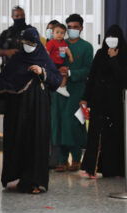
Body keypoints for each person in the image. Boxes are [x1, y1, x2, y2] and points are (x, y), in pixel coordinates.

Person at [0, 28, 62, 194]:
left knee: (37, 142)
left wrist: (42, 72)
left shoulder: (43, 59)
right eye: (25, 43)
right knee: (18, 141)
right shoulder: (16, 60)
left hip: (38, 110)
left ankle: (36, 182)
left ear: (36, 43)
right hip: (17, 112)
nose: (28, 46)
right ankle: (16, 177)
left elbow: (56, 80)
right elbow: (3, 81)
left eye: (31, 43)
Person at [80, 25, 127, 178]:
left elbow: (125, 80)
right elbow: (92, 77)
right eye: (108, 37)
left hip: (116, 103)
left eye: (114, 37)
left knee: (117, 135)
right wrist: (85, 97)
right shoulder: (99, 54)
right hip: (98, 100)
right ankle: (91, 168)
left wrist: (114, 59)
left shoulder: (126, 56)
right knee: (96, 134)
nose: (111, 40)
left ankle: (118, 169)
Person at [50, 14, 93, 172]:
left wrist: (70, 73)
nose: (72, 30)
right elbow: (50, 63)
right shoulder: (59, 44)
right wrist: (58, 70)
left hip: (77, 90)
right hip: (59, 91)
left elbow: (88, 70)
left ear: (81, 28)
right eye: (70, 27)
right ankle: (62, 160)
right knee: (59, 123)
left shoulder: (86, 47)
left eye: (76, 27)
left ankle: (76, 159)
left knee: (73, 123)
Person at [0, 6, 32, 71]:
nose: (20, 17)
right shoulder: (6, 33)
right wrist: (7, 52)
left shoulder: (32, 31)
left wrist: (23, 41)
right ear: (12, 17)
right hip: (9, 69)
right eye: (17, 16)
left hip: (28, 69)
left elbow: (37, 46)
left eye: (22, 15)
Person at [46, 23, 74, 97]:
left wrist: (70, 56)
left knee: (65, 73)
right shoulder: (51, 42)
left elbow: (67, 49)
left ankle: (62, 87)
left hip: (61, 63)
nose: (59, 34)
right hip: (52, 63)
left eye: (62, 33)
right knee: (53, 75)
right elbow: (47, 52)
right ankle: (54, 85)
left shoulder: (63, 42)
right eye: (57, 32)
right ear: (53, 33)